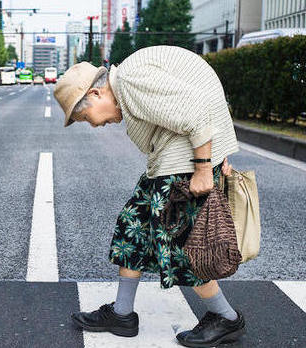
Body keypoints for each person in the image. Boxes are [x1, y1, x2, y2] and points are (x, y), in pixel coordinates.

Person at [53, 45, 245, 347]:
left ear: (95, 94)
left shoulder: (129, 81)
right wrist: (216, 154)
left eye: (86, 118)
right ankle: (122, 314)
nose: (95, 125)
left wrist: (206, 167)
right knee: (133, 229)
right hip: (174, 157)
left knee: (181, 245)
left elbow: (195, 108)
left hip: (184, 163)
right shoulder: (129, 83)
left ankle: (227, 319)